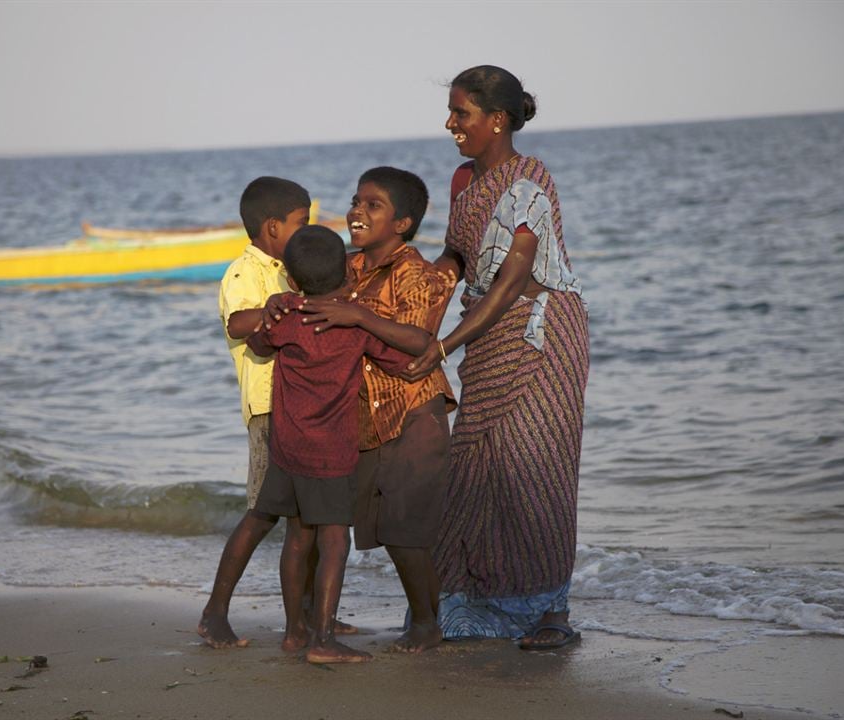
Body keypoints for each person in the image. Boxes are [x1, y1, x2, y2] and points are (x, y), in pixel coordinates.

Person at [403, 65, 589, 650]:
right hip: (486, 336)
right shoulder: (464, 181)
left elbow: (512, 280)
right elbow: (457, 257)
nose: (451, 123)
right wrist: (411, 287)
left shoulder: (530, 178)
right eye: (453, 112)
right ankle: (474, 600)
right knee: (478, 471)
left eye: (462, 113)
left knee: (535, 470)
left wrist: (443, 345)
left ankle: (550, 611)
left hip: (539, 333)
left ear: (497, 119)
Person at [294, 167, 455, 653]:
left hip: (414, 411)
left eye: (372, 205)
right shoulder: (349, 267)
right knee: (382, 526)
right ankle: (413, 619)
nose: (357, 211)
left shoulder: (415, 274)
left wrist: (359, 314)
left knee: (407, 529)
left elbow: (418, 341)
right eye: (355, 201)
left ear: (402, 223)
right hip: (364, 420)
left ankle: (427, 625)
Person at [248, 224, 418, 663]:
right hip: (331, 452)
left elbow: (257, 342)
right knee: (335, 542)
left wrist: (277, 307)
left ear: (291, 278)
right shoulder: (352, 324)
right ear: (347, 271)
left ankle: (293, 633)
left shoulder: (286, 317)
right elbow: (402, 360)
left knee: (297, 539)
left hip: (288, 449)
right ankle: (323, 640)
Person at [196, 176, 309, 649]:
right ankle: (214, 613)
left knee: (309, 520)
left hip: (305, 408)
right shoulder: (244, 272)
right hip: (268, 410)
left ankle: (306, 618)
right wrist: (282, 307)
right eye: (302, 224)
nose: (307, 232)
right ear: (272, 227)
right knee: (262, 514)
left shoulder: (291, 268)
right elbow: (240, 321)